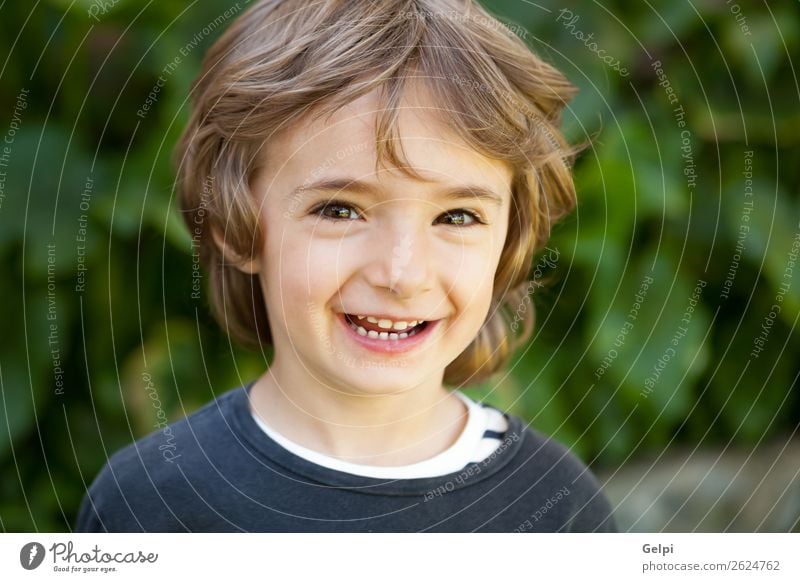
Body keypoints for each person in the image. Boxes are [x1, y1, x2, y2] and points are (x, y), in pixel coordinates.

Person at [76, 0, 616, 532]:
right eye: (339, 211)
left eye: (457, 216)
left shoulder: (555, 508)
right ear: (233, 225)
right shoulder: (153, 502)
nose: (402, 275)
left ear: (508, 239)